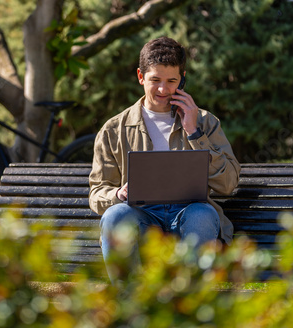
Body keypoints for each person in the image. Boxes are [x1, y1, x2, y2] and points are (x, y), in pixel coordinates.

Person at [88, 36, 241, 283]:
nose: (163, 89)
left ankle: (189, 305)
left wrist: (195, 133)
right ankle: (130, 307)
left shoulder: (205, 122)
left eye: (172, 81)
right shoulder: (113, 129)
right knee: (115, 216)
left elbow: (229, 184)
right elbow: (97, 193)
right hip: (142, 218)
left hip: (191, 217)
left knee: (202, 214)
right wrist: (117, 195)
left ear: (183, 79)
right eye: (155, 80)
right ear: (140, 76)